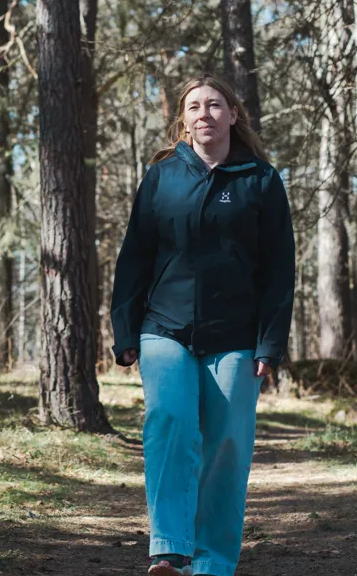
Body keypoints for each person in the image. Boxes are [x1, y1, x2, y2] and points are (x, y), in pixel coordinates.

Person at [110, 74, 296, 576]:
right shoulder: (162, 177)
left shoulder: (260, 180)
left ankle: (212, 563)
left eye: (215, 105)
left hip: (237, 337)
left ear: (233, 114)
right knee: (169, 423)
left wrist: (270, 344)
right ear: (183, 119)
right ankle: (169, 548)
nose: (204, 114)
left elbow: (280, 270)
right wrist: (124, 331)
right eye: (194, 106)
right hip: (163, 328)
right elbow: (134, 258)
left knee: (227, 446)